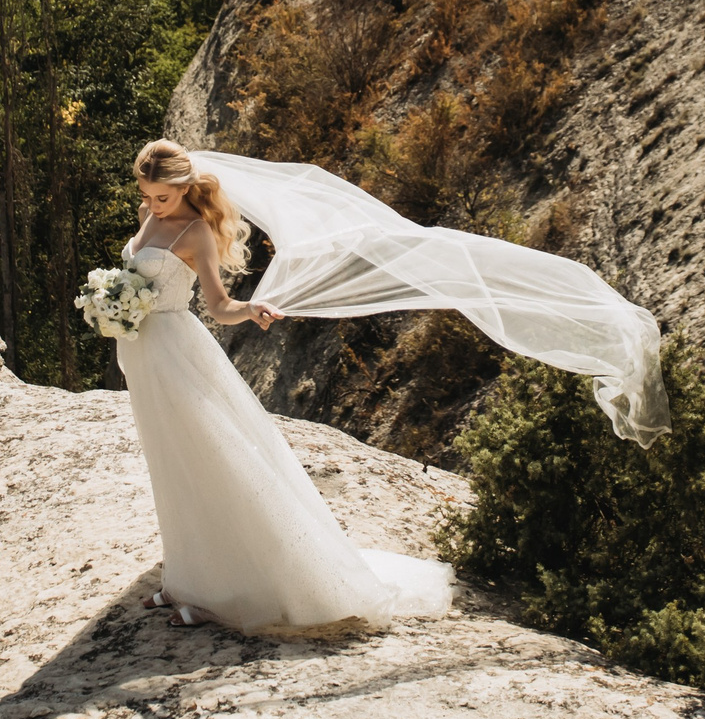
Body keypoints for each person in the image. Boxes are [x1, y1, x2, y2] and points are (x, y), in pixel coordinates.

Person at [111, 138, 668, 632]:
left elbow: (218, 306)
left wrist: (251, 309)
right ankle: (185, 575)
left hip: (178, 352)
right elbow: (136, 269)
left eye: (164, 196)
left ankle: (219, 588)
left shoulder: (196, 232)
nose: (155, 205)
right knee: (168, 459)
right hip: (143, 351)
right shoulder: (148, 216)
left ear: (185, 189)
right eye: (150, 196)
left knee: (199, 455)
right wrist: (111, 301)